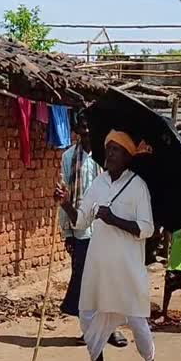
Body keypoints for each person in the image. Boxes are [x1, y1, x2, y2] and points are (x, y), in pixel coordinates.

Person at [55, 129, 162, 361]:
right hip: (98, 267)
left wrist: (114, 219)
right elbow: (81, 221)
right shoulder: (98, 184)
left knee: (137, 322)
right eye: (108, 148)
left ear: (127, 156)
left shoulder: (138, 185)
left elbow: (147, 229)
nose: (110, 153)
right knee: (88, 318)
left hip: (127, 270)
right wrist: (67, 204)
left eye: (116, 150)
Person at [59, 115, 128, 348]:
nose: (87, 132)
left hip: (105, 229)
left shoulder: (106, 157)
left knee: (108, 280)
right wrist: (67, 233)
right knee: (84, 282)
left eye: (90, 127)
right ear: (77, 130)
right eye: (83, 128)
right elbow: (65, 195)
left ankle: (112, 329)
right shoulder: (68, 157)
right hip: (80, 229)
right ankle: (88, 329)